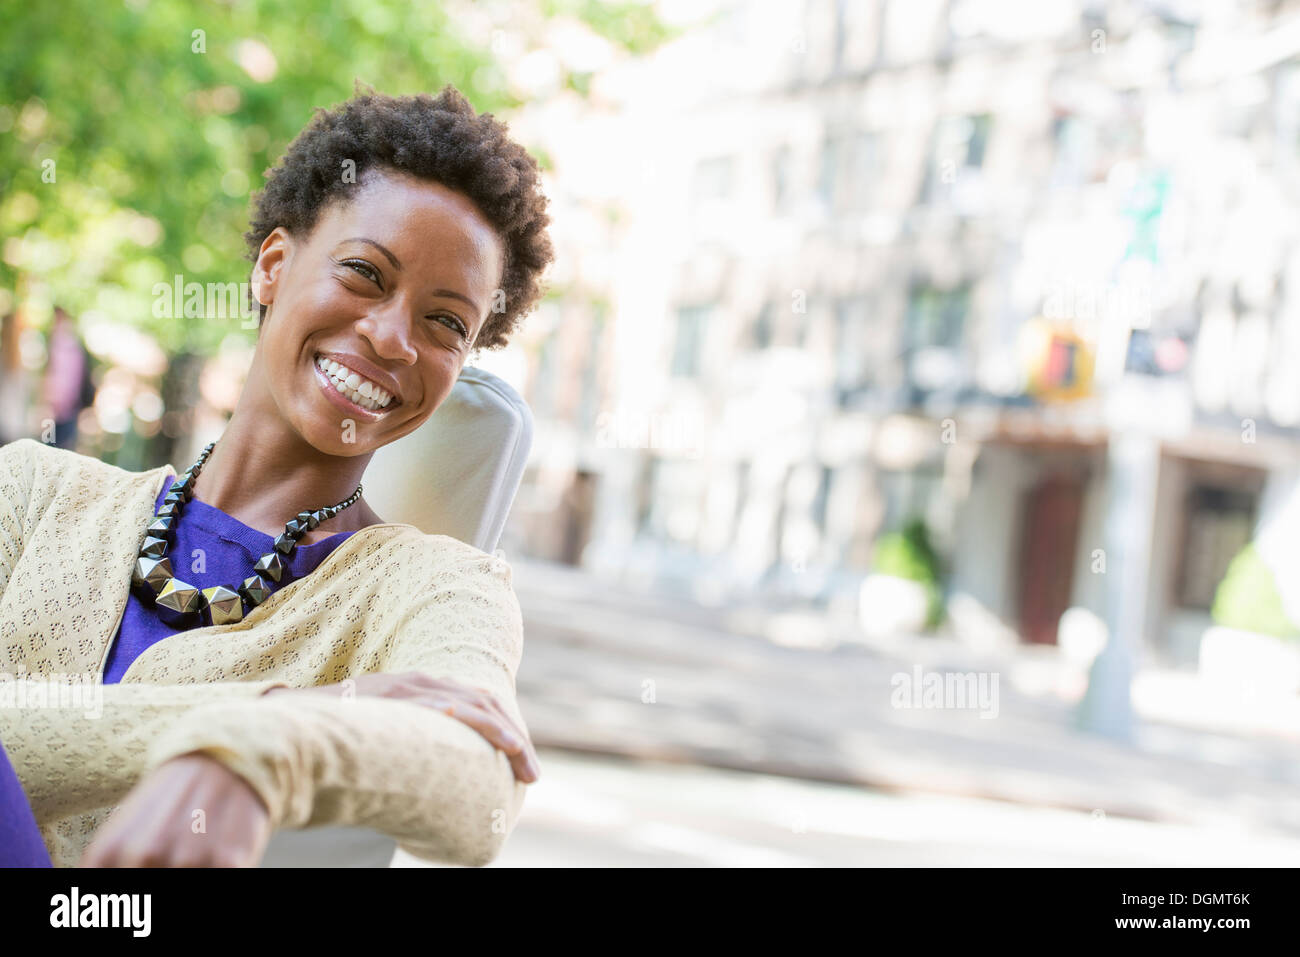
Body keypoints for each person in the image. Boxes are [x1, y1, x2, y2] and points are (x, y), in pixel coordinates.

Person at [0, 82, 555, 868]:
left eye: (445, 322)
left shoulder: (435, 584)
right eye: (365, 272)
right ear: (273, 266)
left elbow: (481, 784)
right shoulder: (31, 491)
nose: (393, 337)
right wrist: (263, 710)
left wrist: (265, 748)